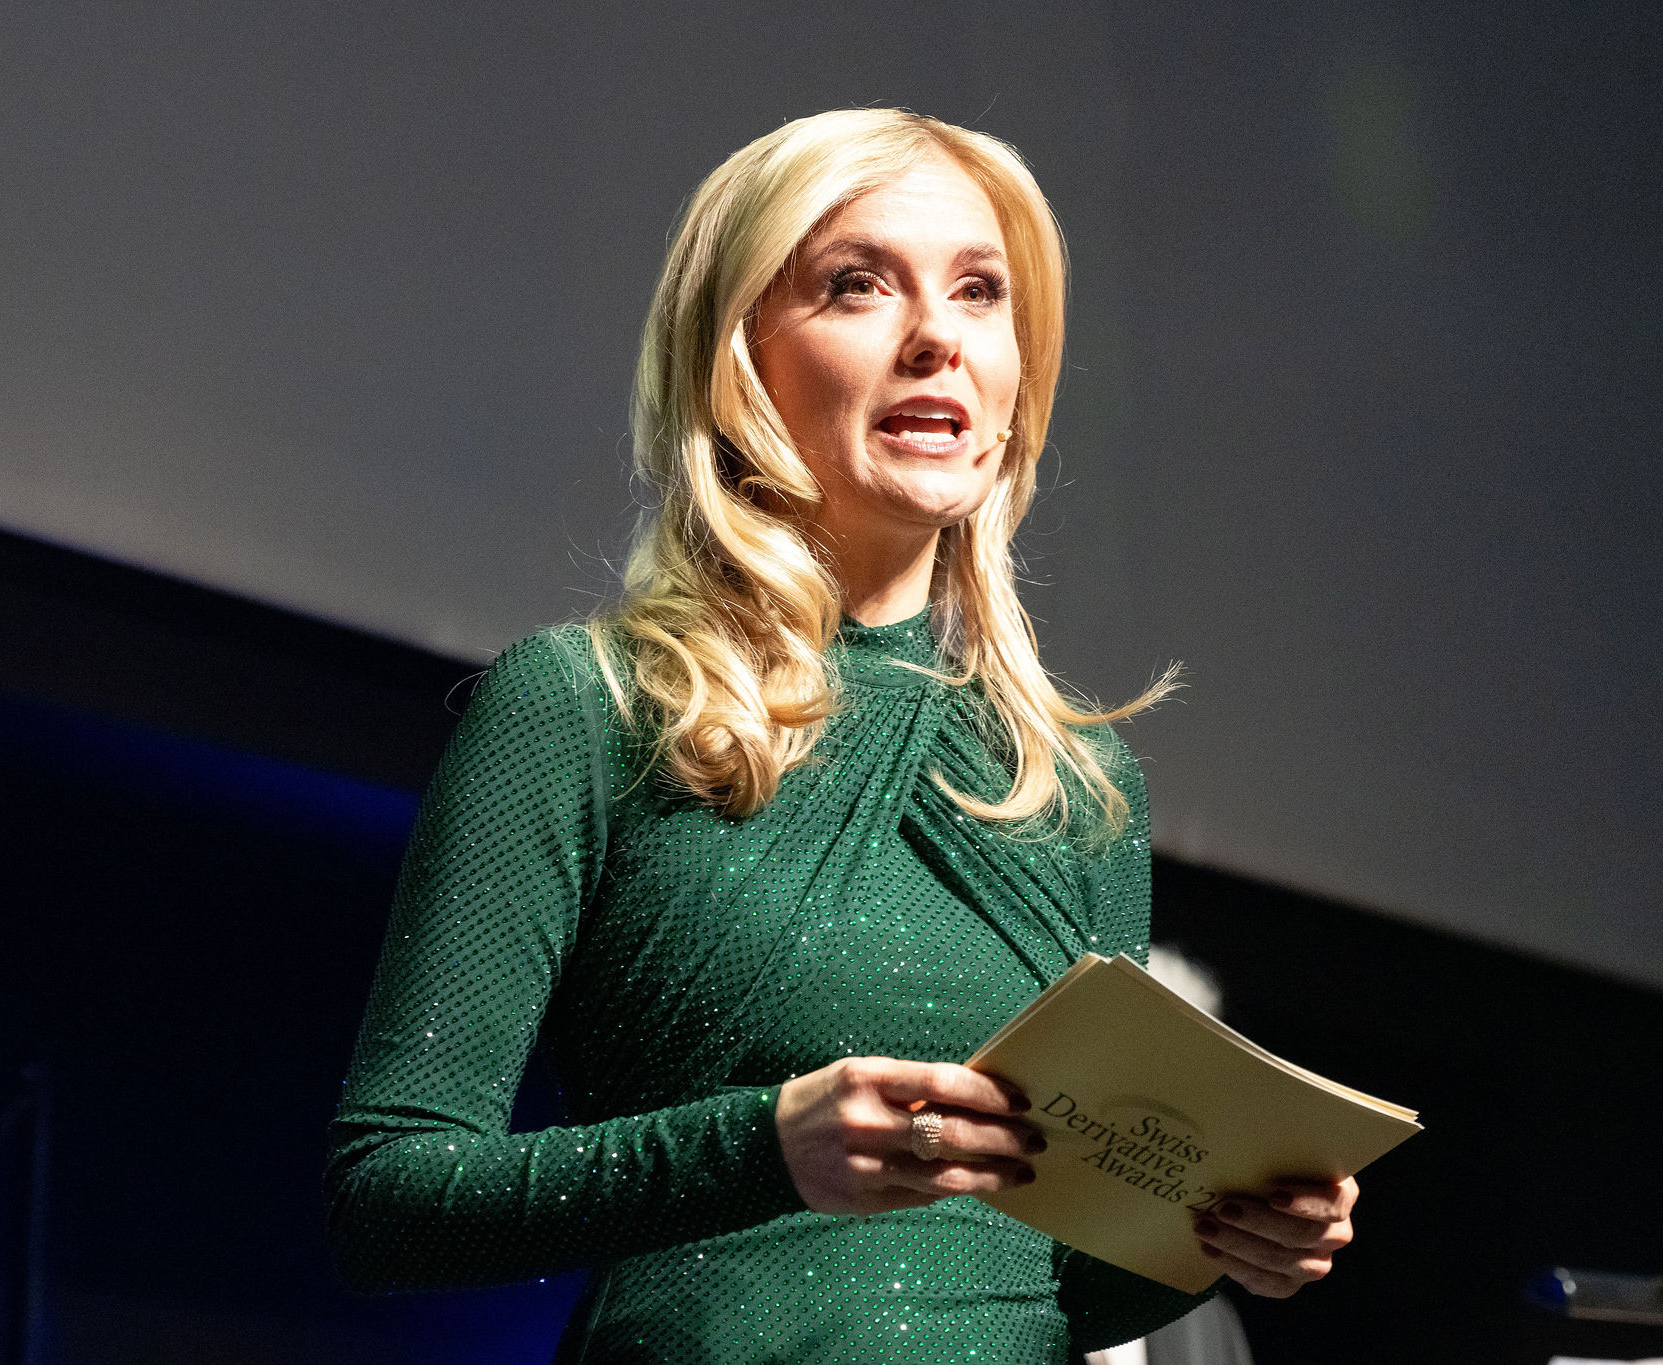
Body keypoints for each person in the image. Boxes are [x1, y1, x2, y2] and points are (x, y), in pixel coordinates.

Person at [325, 108, 1358, 1363]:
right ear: (737, 357)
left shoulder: (1076, 788)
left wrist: (1213, 1240)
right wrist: (766, 1147)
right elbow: (387, 1200)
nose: (936, 338)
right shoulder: (586, 705)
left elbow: (1046, 1282)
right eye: (858, 285)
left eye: (979, 292)